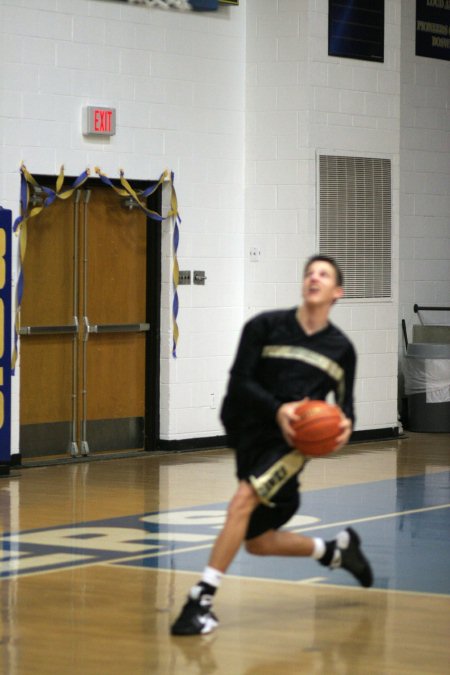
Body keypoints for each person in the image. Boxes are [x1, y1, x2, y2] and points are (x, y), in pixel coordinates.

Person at [171, 254, 373, 636]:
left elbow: (345, 412)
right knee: (258, 542)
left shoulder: (341, 349)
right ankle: (335, 551)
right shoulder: (264, 327)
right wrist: (278, 409)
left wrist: (343, 429)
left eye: (324, 274)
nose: (314, 277)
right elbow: (240, 382)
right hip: (251, 432)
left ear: (337, 292)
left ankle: (200, 600)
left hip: (291, 445)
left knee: (241, 503)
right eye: (309, 272)